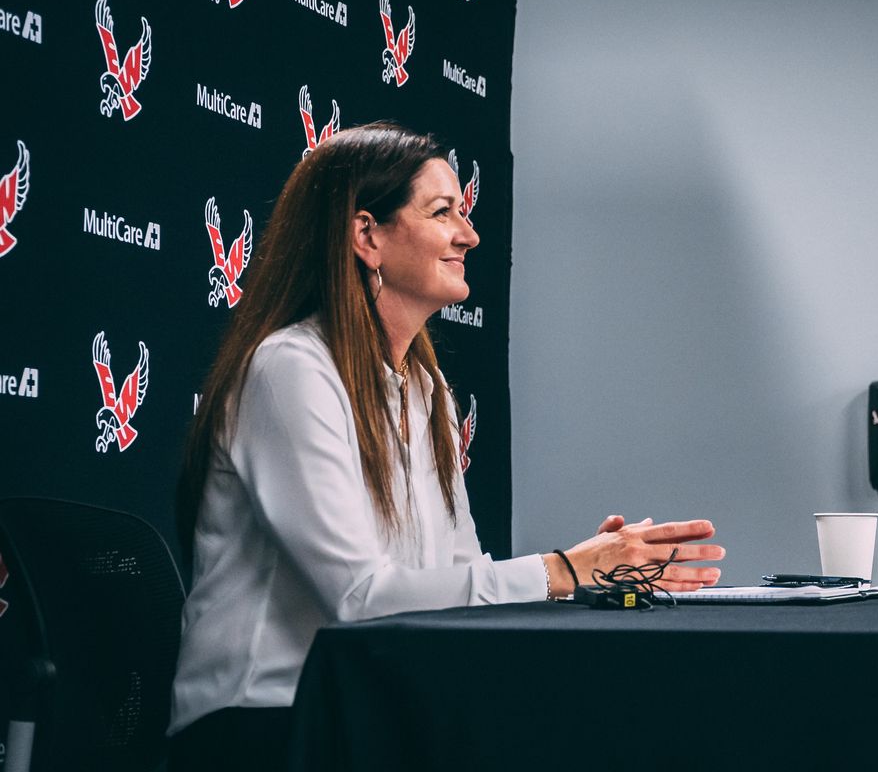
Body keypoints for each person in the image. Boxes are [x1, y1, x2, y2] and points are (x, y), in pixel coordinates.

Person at [166, 123, 724, 771]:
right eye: (443, 212)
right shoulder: (291, 369)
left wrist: (591, 578)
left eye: (464, 212)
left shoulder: (424, 387)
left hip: (374, 714)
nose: (470, 234)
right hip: (264, 729)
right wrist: (562, 569)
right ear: (366, 236)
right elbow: (358, 602)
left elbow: (458, 580)